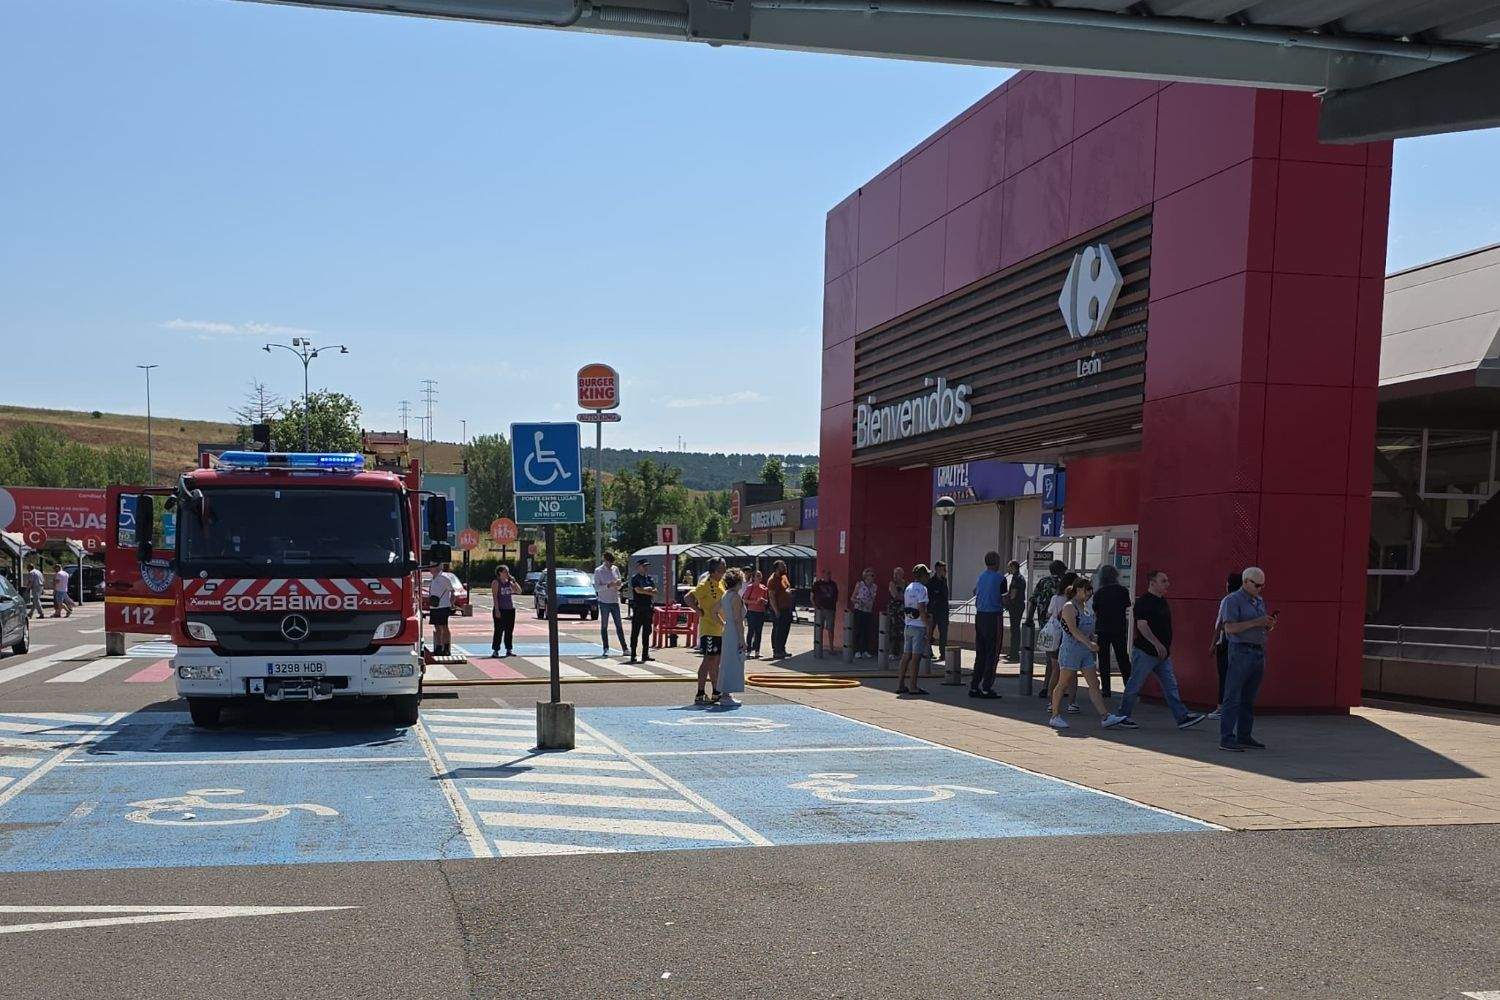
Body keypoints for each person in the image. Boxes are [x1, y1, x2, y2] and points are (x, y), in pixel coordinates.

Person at [1103, 570, 1207, 731]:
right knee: (1135, 684)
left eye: (1167, 580)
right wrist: (1157, 644)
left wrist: (1163, 647)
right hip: (1145, 652)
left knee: (1170, 686)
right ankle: (1123, 715)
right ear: (1152, 583)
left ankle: (1182, 717)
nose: (1167, 584)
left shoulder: (1162, 601)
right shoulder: (1144, 602)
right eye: (1163, 581)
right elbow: (1142, 626)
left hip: (1163, 655)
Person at [1217, 566, 1277, 752]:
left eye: (1262, 586)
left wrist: (1268, 625)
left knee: (1249, 698)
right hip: (1240, 651)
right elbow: (1230, 629)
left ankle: (1244, 735)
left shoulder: (1258, 600)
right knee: (1232, 696)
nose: (1260, 589)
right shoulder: (1232, 600)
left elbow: (1260, 626)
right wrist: (1256, 622)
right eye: (1256, 585)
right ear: (1245, 582)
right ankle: (1227, 738)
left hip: (1258, 651)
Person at [1048, 579, 1112, 729]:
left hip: (1084, 652)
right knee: (1063, 683)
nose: (1090, 593)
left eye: (1091, 590)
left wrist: (1092, 639)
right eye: (1087, 589)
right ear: (1078, 590)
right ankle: (1055, 715)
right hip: (1071, 650)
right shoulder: (1069, 607)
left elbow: (1087, 629)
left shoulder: (1086, 607)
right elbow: (1073, 630)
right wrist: (1089, 644)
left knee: (1094, 683)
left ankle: (1105, 716)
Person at [687, 559, 728, 706]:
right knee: (710, 660)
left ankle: (708, 691)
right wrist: (699, 611)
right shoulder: (705, 584)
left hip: (719, 628)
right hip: (709, 628)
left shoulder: (721, 583)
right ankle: (709, 691)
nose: (724, 572)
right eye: (722, 569)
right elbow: (688, 597)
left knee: (713, 661)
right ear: (715, 570)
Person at [1207, 570, 1243, 720]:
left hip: (1226, 642)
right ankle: (1234, 707)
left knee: (1224, 676)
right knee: (1236, 677)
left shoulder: (1227, 600)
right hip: (1240, 643)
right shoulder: (1245, 600)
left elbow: (1221, 623)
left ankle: (1221, 707)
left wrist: (1212, 643)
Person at [1091, 564, 1131, 698]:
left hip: (1102, 628)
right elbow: (1127, 605)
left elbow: (1095, 610)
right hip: (1118, 628)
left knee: (1103, 659)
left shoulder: (1099, 593)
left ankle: (1106, 689)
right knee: (1122, 658)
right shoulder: (1122, 591)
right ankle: (1129, 686)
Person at [1029, 560, 1067, 699]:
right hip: (1062, 627)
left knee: (1050, 658)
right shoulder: (1064, 584)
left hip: (1046, 625)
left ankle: (1047, 686)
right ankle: (1055, 687)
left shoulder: (1042, 581)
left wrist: (1028, 618)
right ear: (1062, 570)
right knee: (1060, 659)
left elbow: (1033, 600)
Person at [970, 551, 1005, 699]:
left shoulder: (981, 577)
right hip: (994, 616)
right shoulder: (1001, 578)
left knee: (981, 652)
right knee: (993, 652)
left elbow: (974, 592)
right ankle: (986, 686)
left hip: (980, 616)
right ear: (996, 562)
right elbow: (1004, 599)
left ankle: (974, 685)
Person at [896, 564, 931, 697]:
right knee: (916, 658)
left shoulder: (908, 588)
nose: (928, 577)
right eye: (927, 574)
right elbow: (921, 608)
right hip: (919, 626)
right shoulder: (923, 589)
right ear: (922, 576)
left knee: (906, 656)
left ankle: (900, 684)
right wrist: (928, 626)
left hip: (908, 625)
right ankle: (913, 686)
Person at [715, 569, 747, 707]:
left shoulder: (725, 595)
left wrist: (723, 623)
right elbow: (738, 620)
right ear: (738, 582)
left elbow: (713, 611)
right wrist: (742, 639)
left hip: (727, 630)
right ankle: (727, 694)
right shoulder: (735, 597)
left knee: (726, 661)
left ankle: (725, 692)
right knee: (733, 662)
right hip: (734, 632)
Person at [593, 551, 627, 656]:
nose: (611, 565)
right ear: (605, 560)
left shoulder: (615, 569)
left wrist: (619, 584)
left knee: (619, 625)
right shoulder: (598, 571)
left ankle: (625, 649)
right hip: (604, 602)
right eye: (609, 562)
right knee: (604, 626)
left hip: (614, 601)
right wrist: (608, 585)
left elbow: (619, 585)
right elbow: (597, 588)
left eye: (612, 563)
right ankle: (606, 648)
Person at [427, 562, 463, 657]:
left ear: (437, 567)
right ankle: (438, 647)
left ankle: (446, 648)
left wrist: (451, 602)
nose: (429, 568)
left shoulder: (444, 578)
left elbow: (453, 590)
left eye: (431, 566)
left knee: (444, 627)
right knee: (437, 627)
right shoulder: (434, 578)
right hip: (434, 606)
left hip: (443, 606)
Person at [627, 558, 657, 665]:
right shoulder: (635, 578)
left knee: (647, 632)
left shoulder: (649, 578)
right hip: (638, 608)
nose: (646, 568)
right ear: (638, 567)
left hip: (648, 608)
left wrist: (646, 590)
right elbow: (637, 590)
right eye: (644, 566)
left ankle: (645, 654)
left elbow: (655, 592)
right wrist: (647, 590)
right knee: (635, 632)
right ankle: (633, 655)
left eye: (646, 566)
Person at [767, 560, 794, 659]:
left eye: (785, 565)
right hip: (778, 609)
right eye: (783, 566)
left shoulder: (784, 577)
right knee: (778, 630)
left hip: (787, 608)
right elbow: (771, 597)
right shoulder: (772, 580)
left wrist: (789, 592)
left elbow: (786, 588)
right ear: (777, 568)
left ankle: (782, 649)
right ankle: (777, 651)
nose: (785, 567)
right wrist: (776, 611)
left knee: (785, 629)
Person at [850, 568, 878, 659]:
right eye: (870, 575)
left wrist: (869, 604)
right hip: (859, 609)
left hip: (868, 610)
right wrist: (859, 601)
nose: (872, 577)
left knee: (866, 630)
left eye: (873, 575)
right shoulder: (859, 585)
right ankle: (857, 650)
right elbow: (852, 598)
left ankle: (865, 650)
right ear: (866, 576)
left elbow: (873, 599)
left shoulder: (874, 587)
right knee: (858, 630)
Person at [811, 567, 839, 655]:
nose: (828, 575)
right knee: (819, 628)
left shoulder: (833, 584)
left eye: (829, 573)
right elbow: (812, 596)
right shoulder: (817, 584)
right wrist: (815, 606)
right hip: (820, 609)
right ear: (822, 574)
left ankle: (831, 648)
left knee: (830, 628)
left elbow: (836, 596)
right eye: (827, 573)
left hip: (830, 609)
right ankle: (818, 648)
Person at [490, 565, 516, 658]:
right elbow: (495, 597)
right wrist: (497, 610)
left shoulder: (509, 582)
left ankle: (509, 649)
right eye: (505, 572)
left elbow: (519, 591)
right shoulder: (496, 582)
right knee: (499, 630)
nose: (507, 573)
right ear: (500, 573)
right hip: (501, 609)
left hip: (510, 609)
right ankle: (496, 650)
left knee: (509, 630)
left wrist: (513, 581)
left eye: (508, 572)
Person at [1003, 560, 1026, 662]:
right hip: (1019, 606)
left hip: (1016, 607)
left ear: (1013, 567)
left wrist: (1005, 601)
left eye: (1009, 567)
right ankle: (1013, 653)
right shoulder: (1020, 578)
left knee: (1015, 631)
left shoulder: (1016, 578)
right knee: (1015, 630)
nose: (1008, 569)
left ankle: (1014, 655)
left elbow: (1013, 595)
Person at [742, 570, 769, 658]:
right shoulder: (750, 587)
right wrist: (754, 601)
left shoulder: (764, 587)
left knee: (759, 632)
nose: (759, 577)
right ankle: (748, 650)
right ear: (753, 577)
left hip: (760, 612)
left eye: (760, 575)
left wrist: (764, 601)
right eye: (757, 576)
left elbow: (766, 601)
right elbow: (744, 599)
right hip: (751, 612)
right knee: (751, 631)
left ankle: (757, 651)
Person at [927, 561, 950, 659]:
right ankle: (929, 652)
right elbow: (931, 596)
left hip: (943, 611)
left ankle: (943, 654)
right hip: (933, 611)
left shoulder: (944, 581)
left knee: (943, 633)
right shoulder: (931, 582)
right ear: (936, 570)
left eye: (945, 570)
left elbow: (944, 595)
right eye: (942, 570)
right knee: (929, 633)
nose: (944, 572)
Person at [885, 565, 907, 661]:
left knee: (903, 631)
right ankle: (892, 652)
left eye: (897, 574)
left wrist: (903, 597)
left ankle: (903, 652)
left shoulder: (906, 583)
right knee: (894, 630)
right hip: (894, 610)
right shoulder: (892, 583)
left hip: (903, 611)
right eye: (894, 574)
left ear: (902, 575)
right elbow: (895, 595)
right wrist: (904, 597)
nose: (895, 576)